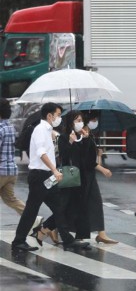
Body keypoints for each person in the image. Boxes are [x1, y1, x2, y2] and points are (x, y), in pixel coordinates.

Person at [11, 103, 88, 251]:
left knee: (59, 208)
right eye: (58, 115)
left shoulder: (48, 131)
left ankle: (67, 240)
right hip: (39, 176)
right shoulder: (40, 130)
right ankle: (18, 241)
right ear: (49, 116)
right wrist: (55, 170)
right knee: (31, 210)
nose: (59, 118)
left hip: (47, 176)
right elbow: (41, 153)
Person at [38, 111, 90, 245]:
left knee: (71, 208)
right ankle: (46, 230)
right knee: (64, 207)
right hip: (68, 177)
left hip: (80, 177)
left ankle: (44, 230)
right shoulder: (64, 137)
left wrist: (85, 140)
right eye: (77, 120)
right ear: (71, 122)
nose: (80, 123)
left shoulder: (80, 136)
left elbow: (85, 156)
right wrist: (70, 142)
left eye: (81, 120)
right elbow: (64, 157)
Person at [0, 98, 43, 229]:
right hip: (11, 171)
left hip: (1, 170)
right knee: (10, 199)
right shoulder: (10, 127)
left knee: (11, 199)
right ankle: (34, 219)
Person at [81, 112, 117, 244]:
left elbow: (93, 161)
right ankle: (50, 228)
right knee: (74, 206)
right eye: (93, 119)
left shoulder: (89, 135)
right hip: (83, 177)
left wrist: (99, 155)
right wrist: (103, 170)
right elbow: (87, 161)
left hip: (89, 177)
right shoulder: (82, 135)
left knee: (95, 203)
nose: (95, 121)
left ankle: (101, 233)